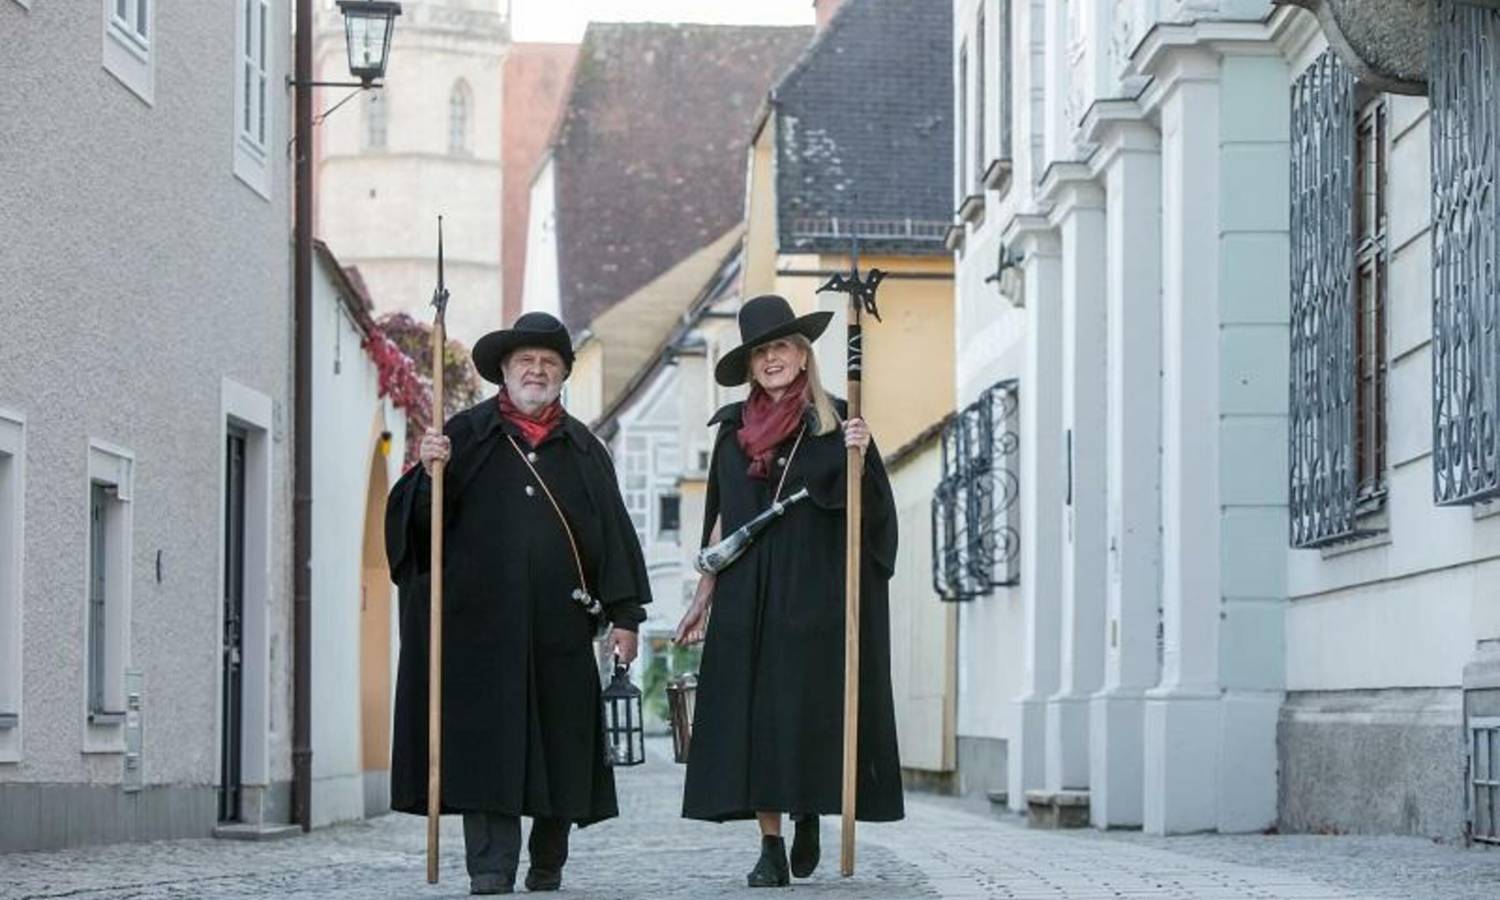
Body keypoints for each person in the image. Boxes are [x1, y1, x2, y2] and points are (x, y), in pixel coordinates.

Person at [384, 311, 652, 895]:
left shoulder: (583, 449)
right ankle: (490, 868)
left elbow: (613, 534)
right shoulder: (464, 436)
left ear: (561, 375)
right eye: (526, 361)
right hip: (479, 632)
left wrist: (625, 616)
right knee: (487, 752)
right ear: (504, 371)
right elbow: (419, 534)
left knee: (563, 747)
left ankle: (548, 861)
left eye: (548, 363)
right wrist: (429, 477)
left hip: (560, 629)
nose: (537, 370)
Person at [676, 294, 904, 887]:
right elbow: (720, 523)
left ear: (802, 355)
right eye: (761, 352)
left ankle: (808, 812)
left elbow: (873, 519)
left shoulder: (834, 425)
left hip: (815, 594)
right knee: (755, 721)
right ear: (750, 365)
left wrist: (859, 460)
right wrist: (703, 595)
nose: (772, 359)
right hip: (746, 595)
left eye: (781, 347)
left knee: (802, 715)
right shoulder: (730, 433)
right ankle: (770, 845)